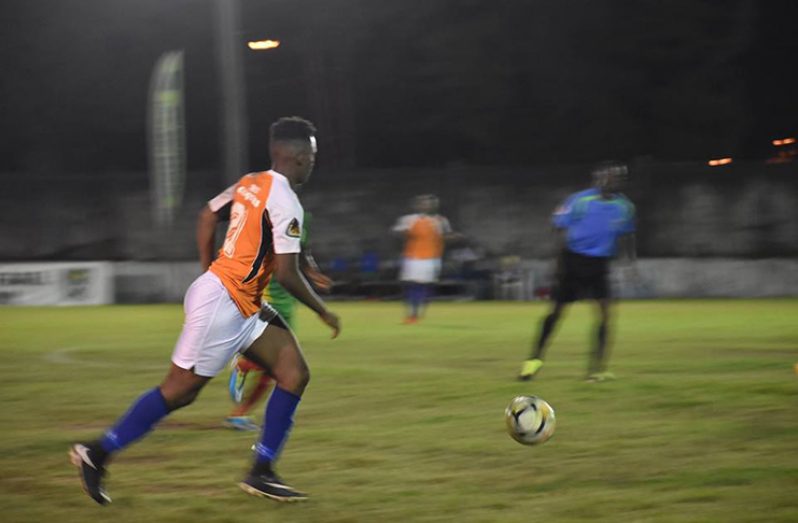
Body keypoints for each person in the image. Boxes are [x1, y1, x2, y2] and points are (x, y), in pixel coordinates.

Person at [70, 117, 340, 504]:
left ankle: (262, 471)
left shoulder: (251, 182)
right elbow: (287, 273)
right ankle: (96, 453)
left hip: (241, 303)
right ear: (297, 156)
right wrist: (323, 311)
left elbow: (208, 214)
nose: (314, 162)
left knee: (294, 373)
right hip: (226, 303)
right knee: (178, 392)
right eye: (312, 155)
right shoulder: (286, 201)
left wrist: (208, 270)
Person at [518, 161, 636, 382]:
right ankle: (533, 361)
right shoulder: (580, 200)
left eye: (617, 177)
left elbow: (627, 235)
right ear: (598, 178)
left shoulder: (625, 207)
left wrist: (629, 263)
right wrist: (558, 262)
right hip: (573, 260)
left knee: (605, 314)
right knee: (556, 313)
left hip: (600, 264)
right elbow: (558, 226)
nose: (612, 180)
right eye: (608, 176)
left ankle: (596, 369)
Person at [225, 210, 332, 431]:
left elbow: (301, 250)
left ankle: (242, 391)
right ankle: (241, 398)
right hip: (270, 292)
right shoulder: (269, 213)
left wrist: (312, 273)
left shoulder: (300, 215)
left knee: (277, 365)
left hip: (286, 296)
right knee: (279, 364)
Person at [392, 194, 457, 323]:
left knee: (426, 286)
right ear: (417, 205)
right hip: (412, 257)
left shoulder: (441, 221)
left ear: (434, 205)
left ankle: (419, 312)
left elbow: (447, 236)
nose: (426, 205)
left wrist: (453, 238)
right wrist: (401, 233)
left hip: (432, 259)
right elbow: (397, 232)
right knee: (410, 285)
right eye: (423, 203)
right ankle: (411, 314)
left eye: (429, 203)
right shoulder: (408, 219)